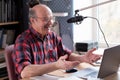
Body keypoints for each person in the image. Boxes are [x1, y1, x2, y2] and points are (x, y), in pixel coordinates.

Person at [12, 0, 101, 79]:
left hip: (54, 77)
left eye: (51, 18)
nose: (51, 23)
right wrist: (56, 65)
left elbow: (67, 55)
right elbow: (25, 72)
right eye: (46, 19)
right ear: (33, 21)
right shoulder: (23, 40)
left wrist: (83, 58)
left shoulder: (52, 36)